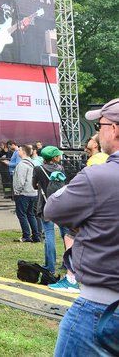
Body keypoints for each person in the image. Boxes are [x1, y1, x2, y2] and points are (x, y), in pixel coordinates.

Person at [45, 98, 119, 357]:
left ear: (116, 129)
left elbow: (53, 208)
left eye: (101, 125)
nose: (98, 133)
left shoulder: (97, 176)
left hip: (101, 305)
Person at [32, 145, 68, 280]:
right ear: (54, 157)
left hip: (46, 205)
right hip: (61, 206)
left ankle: (50, 266)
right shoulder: (61, 168)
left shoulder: (38, 169)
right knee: (66, 235)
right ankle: (67, 263)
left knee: (49, 235)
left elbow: (33, 185)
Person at [12, 144, 41, 243]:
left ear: (23, 152)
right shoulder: (33, 163)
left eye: (19, 150)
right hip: (33, 192)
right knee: (31, 214)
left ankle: (26, 236)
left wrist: (17, 192)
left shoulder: (22, 165)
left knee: (22, 215)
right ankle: (36, 236)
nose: (18, 151)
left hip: (23, 193)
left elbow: (20, 181)